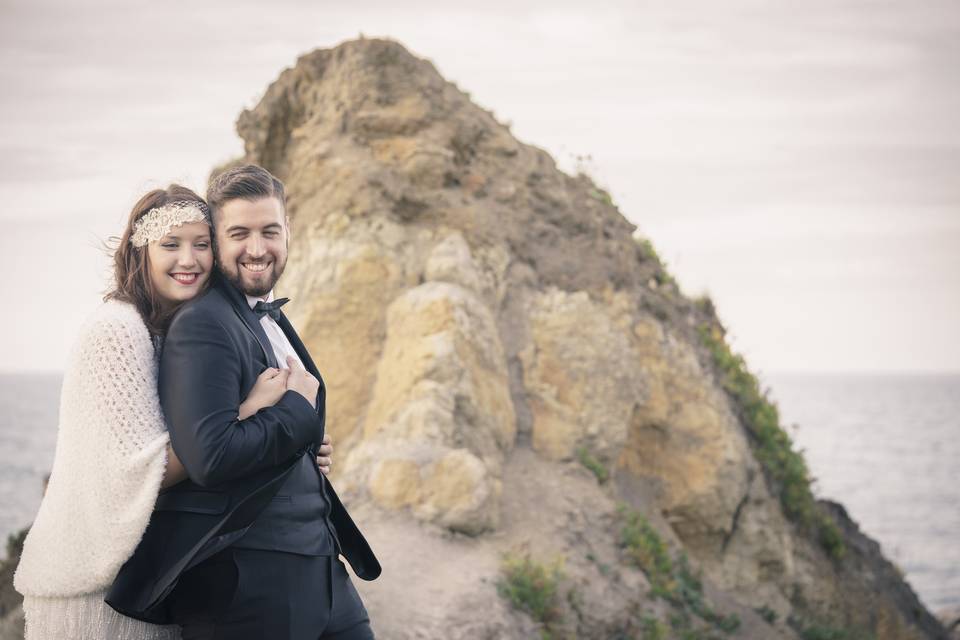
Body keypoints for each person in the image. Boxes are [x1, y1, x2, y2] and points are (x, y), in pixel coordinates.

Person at [12, 185, 336, 639]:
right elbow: (136, 472)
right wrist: (250, 410)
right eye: (170, 245)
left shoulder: (167, 328)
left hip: (149, 579)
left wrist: (300, 447)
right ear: (139, 252)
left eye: (201, 244)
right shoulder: (116, 330)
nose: (190, 260)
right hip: (90, 583)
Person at [107, 165, 381, 640]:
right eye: (239, 234)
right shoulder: (204, 323)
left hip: (321, 570)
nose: (257, 249)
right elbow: (210, 457)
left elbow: (267, 433)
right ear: (217, 240)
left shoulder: (261, 316)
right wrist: (296, 413)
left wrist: (307, 444)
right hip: (249, 589)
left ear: (288, 233)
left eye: (269, 231)